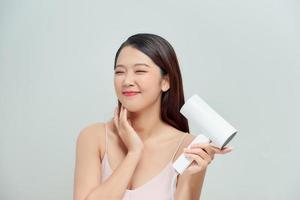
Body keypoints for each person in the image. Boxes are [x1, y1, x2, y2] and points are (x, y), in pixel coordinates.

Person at [73, 33, 232, 200]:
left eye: (140, 71)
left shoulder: (187, 149)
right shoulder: (94, 137)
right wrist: (134, 153)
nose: (127, 80)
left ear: (166, 82)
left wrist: (191, 176)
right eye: (120, 72)